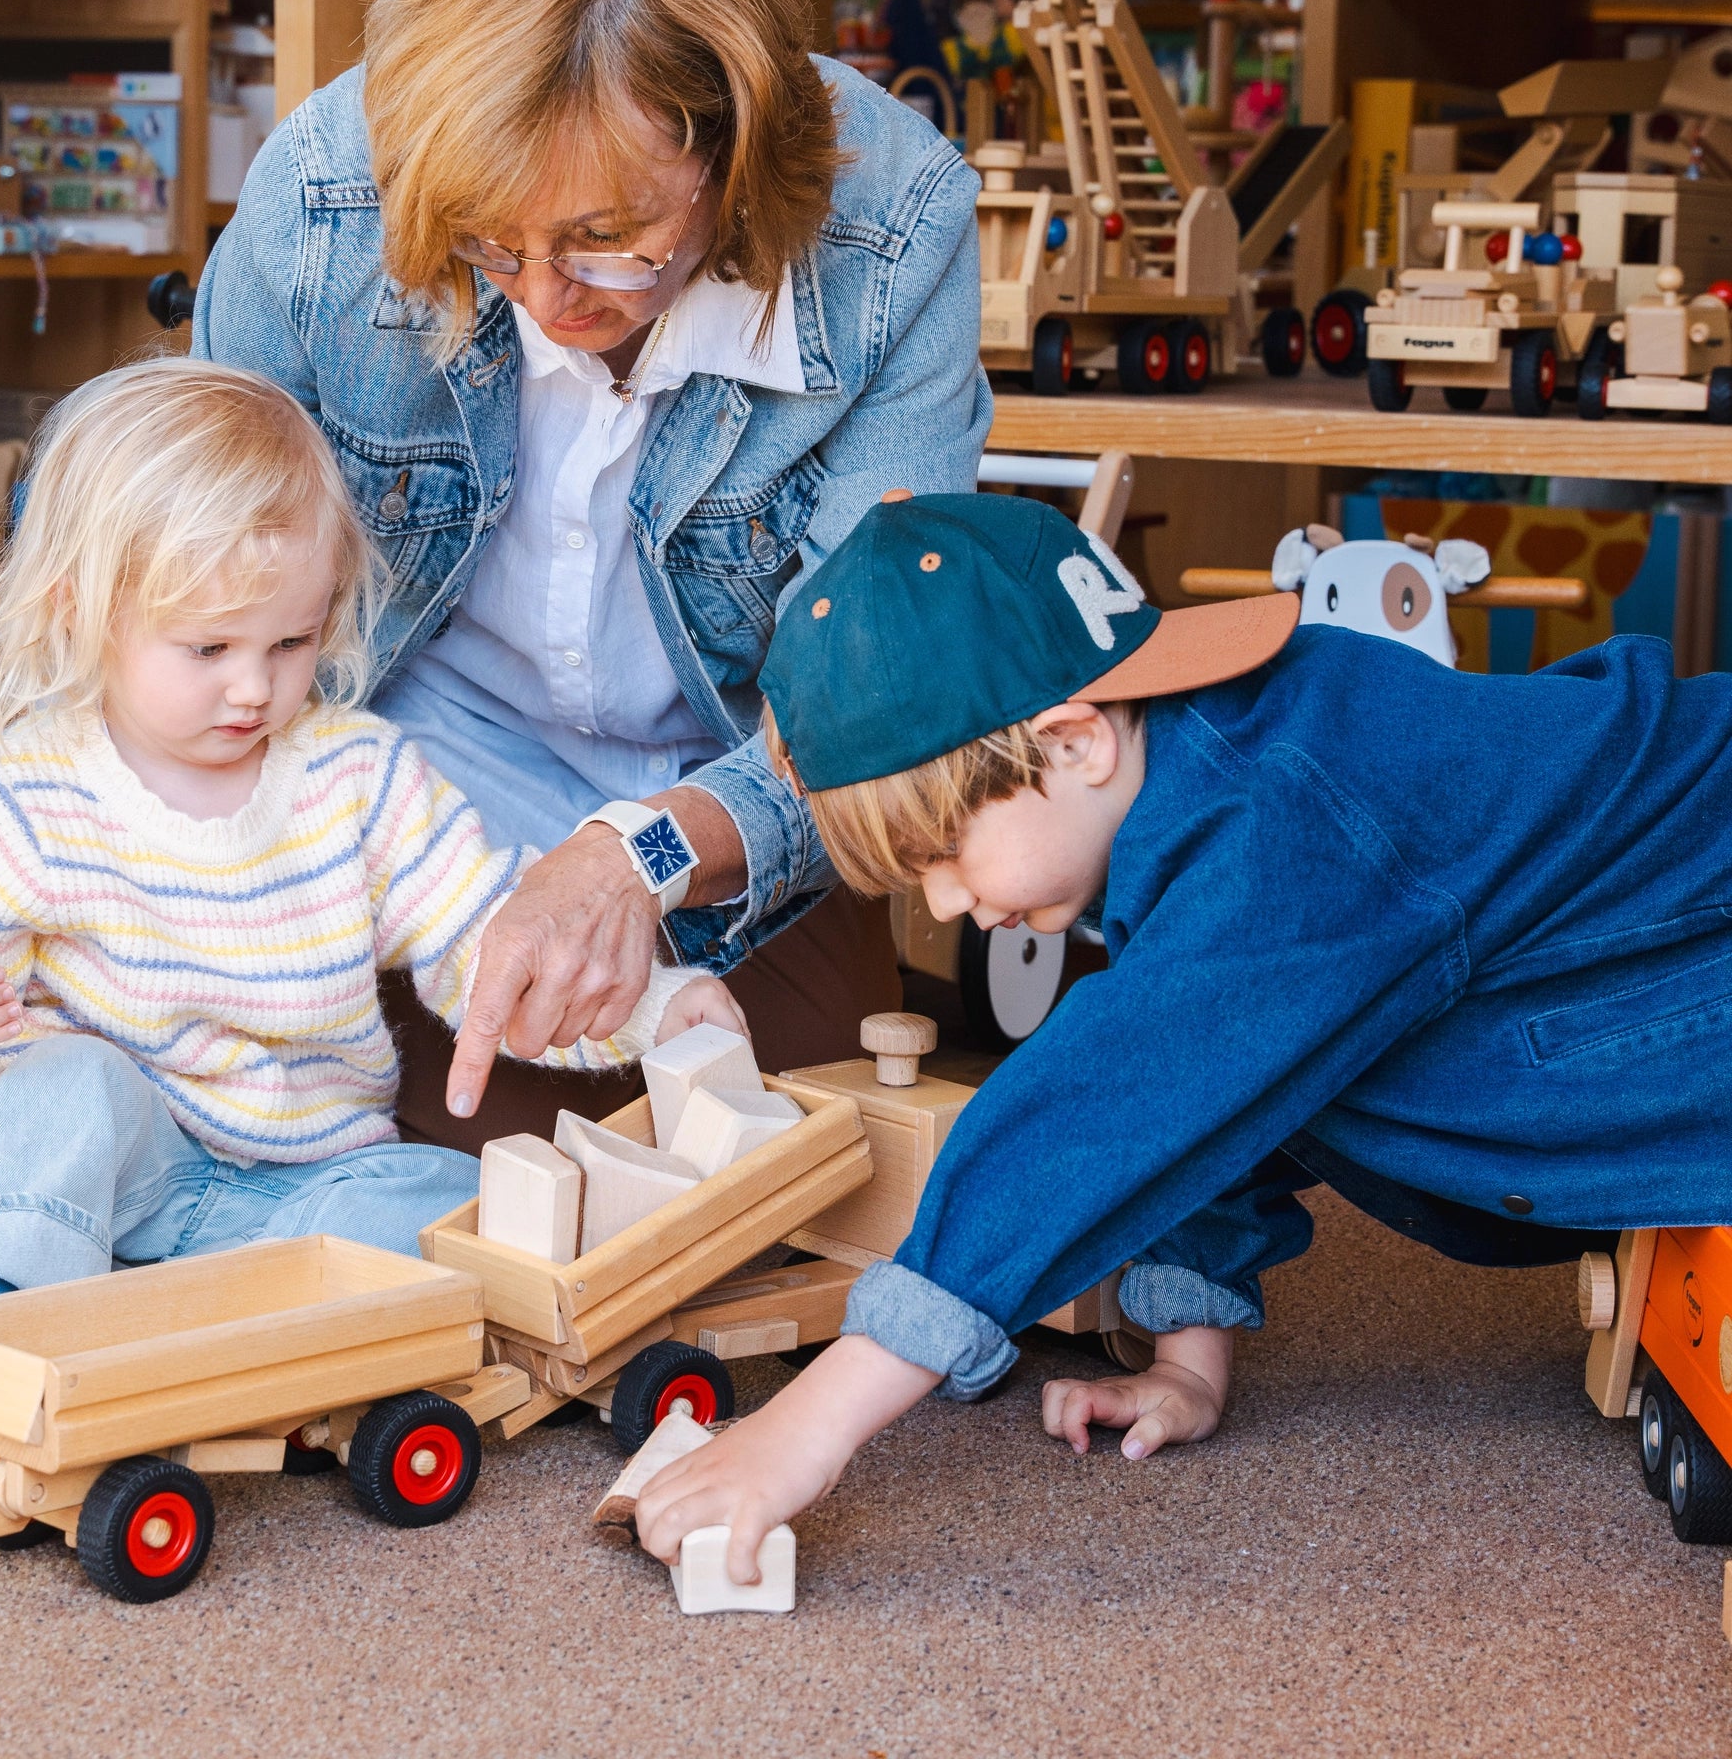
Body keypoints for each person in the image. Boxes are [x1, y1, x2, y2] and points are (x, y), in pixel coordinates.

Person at [635, 491, 1732, 1580]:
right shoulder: (1197, 779)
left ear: (1073, 741)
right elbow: (1223, 1075)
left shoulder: (1284, 817)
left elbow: (1106, 1099)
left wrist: (806, 1425)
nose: (943, 901)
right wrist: (1187, 1361)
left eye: (944, 849)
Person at [194, 0, 991, 1149]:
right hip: (403, 776)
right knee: (401, 1144)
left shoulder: (893, 230)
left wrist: (640, 855)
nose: (550, 302)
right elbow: (186, 570)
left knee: (784, 1148)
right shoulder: (330, 192)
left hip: (724, 805)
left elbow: (881, 701)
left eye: (607, 241)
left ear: (731, 149)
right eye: (494, 246)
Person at [0, 361, 740, 1477]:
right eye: (207, 649)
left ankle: (230, 1344)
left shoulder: (356, 776)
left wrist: (657, 1005)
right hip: (120, 1176)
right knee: (54, 1090)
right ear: (82, 612)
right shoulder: (23, 793)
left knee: (472, 1199)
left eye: (290, 644)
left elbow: (492, 939)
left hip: (307, 1196)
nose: (253, 688)